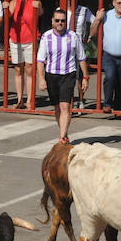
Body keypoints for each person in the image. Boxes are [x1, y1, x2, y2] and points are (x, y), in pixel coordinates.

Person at [37, 9, 89, 143]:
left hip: (68, 74)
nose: (60, 23)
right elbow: (40, 60)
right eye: (57, 20)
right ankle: (64, 134)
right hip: (52, 75)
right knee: (57, 108)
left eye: (63, 21)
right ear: (52, 21)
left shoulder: (73, 36)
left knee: (65, 106)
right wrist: (41, 79)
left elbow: (81, 58)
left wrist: (86, 77)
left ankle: (61, 137)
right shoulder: (46, 37)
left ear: (66, 22)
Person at [4, 0, 42, 110]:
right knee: (18, 70)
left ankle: (30, 100)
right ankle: (20, 100)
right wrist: (6, 7)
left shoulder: (34, 2)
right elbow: (8, 15)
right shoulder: (15, 3)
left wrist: (38, 6)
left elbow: (40, 13)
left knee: (30, 70)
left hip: (30, 40)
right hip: (16, 39)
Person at [66, 0, 96, 110]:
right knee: (67, 76)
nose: (71, 0)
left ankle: (80, 100)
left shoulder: (84, 10)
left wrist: (90, 35)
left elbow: (95, 21)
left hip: (79, 48)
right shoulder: (60, 11)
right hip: (65, 48)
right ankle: (68, 100)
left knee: (79, 76)